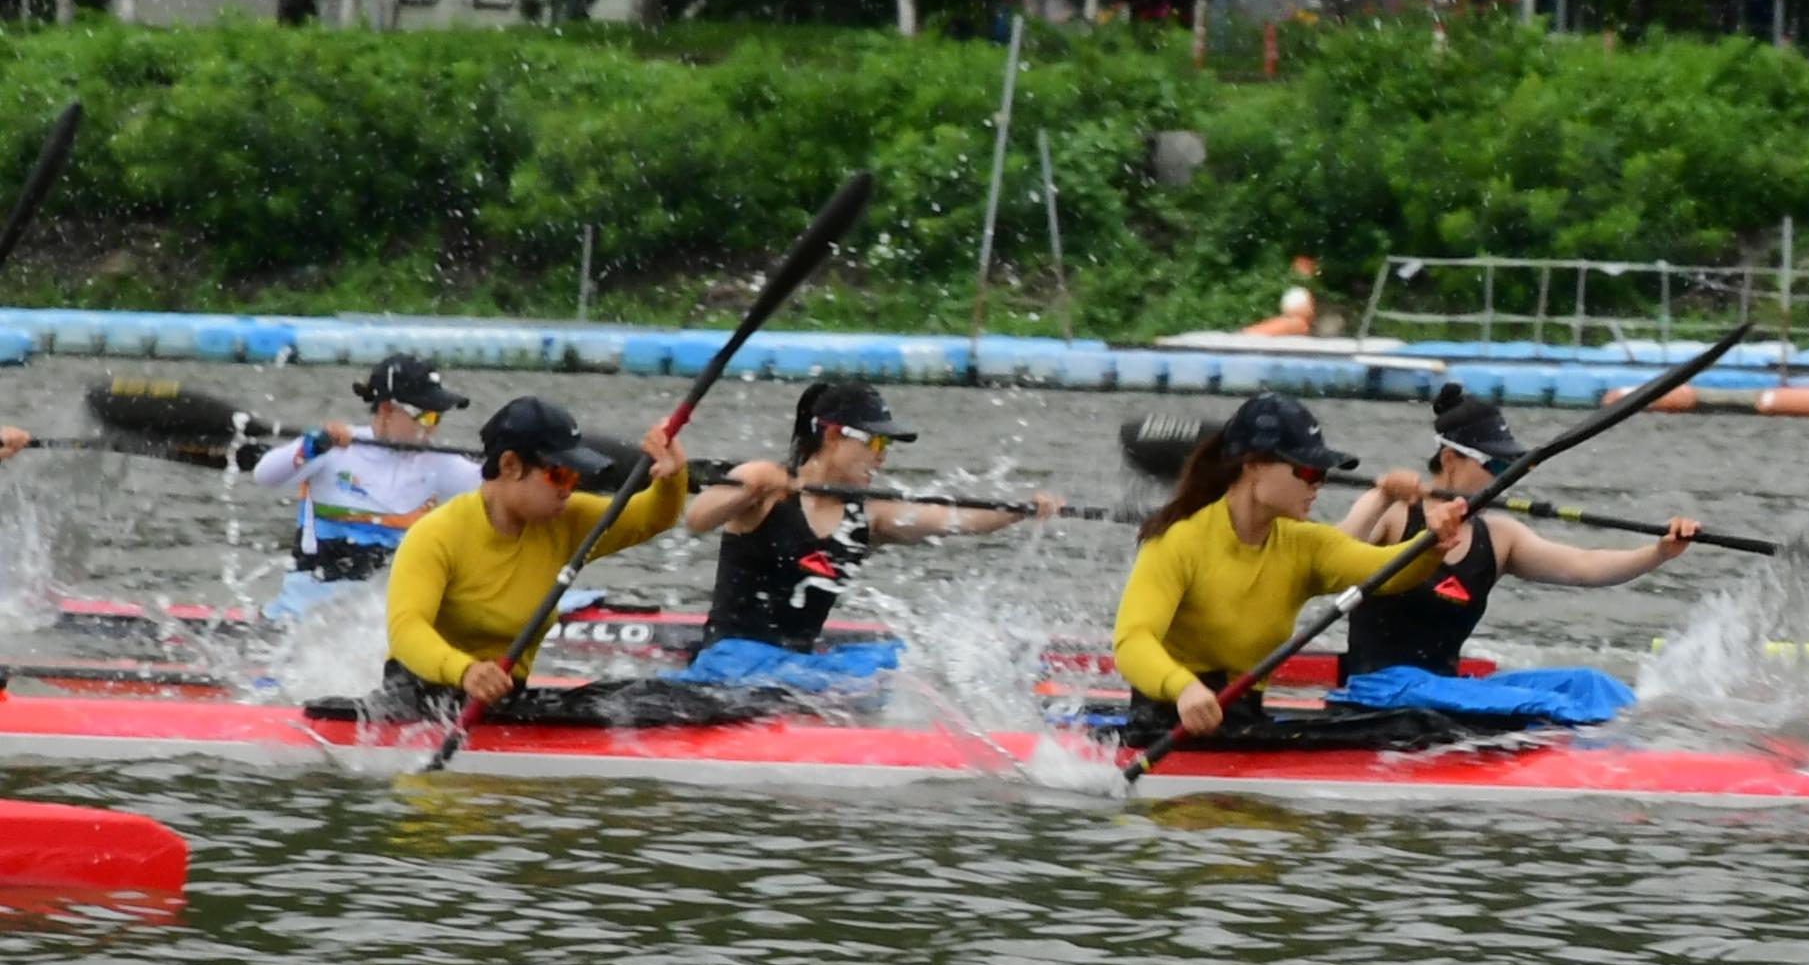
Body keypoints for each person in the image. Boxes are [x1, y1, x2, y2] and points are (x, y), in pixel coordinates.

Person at [1112, 392, 1469, 744]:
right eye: (1307, 471)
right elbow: (1132, 641)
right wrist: (1184, 688)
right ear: (1252, 466)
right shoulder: (1179, 540)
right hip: (1164, 726)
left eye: (1322, 474)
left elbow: (1385, 571)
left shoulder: (1304, 545)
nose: (1317, 485)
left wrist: (1430, 544)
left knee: (1416, 726)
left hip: (1243, 722)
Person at [677, 381, 1064, 689]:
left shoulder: (870, 514)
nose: (882, 457)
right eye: (874, 442)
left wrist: (1020, 510)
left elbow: (952, 518)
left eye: (887, 446)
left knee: (922, 657)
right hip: (731, 659)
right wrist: (749, 488)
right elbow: (697, 518)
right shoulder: (766, 482)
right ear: (832, 436)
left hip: (799, 667)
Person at [1333, 383, 1701, 678]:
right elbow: (1328, 555)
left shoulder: (1500, 537)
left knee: (1590, 685)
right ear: (1449, 460)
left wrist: (1659, 553)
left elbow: (1584, 566)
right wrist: (1380, 495)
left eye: (1510, 467)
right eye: (1494, 465)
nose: (1503, 479)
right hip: (1377, 690)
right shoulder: (1396, 514)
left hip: (1438, 696)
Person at [379, 395, 689, 716]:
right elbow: (406, 630)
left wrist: (671, 476)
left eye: (576, 476)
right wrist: (465, 671)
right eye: (560, 475)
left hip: (504, 698)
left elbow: (651, 517)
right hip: (422, 696)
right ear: (510, 465)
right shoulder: (435, 535)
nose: (569, 489)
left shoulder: (566, 522)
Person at [247, 357, 483, 619]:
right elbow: (264, 475)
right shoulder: (334, 447)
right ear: (386, 410)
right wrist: (311, 447)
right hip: (301, 620)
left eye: (436, 417)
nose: (431, 428)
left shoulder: (438, 464)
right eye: (425, 416)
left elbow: (498, 492)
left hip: (377, 628)